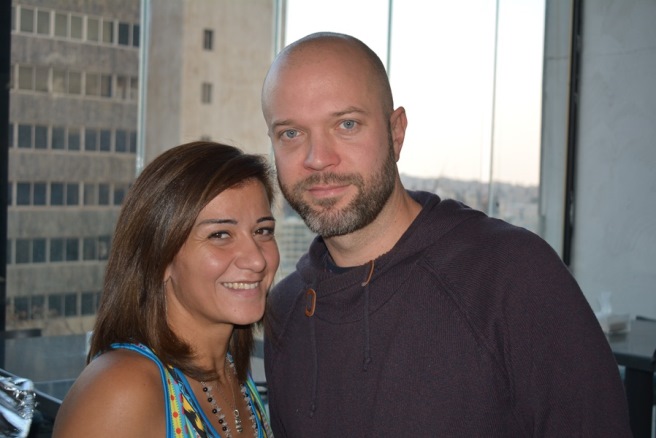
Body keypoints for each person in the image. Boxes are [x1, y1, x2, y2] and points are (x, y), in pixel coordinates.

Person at [260, 32, 632, 437]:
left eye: (347, 124)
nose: (317, 159)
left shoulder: (513, 276)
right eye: (291, 133)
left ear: (396, 133)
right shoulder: (285, 310)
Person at [53, 141, 277, 437]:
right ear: (160, 258)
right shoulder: (122, 389)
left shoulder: (235, 374)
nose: (257, 259)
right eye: (220, 234)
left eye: (263, 231)